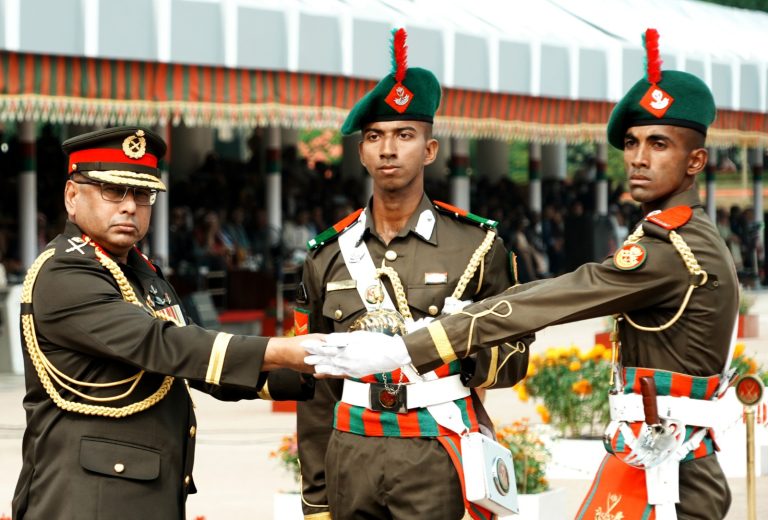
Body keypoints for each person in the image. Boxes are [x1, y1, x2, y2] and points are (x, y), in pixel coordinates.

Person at [308, 29, 738, 520]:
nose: (639, 158)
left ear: (696, 161)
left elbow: (555, 298)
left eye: (658, 144)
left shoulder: (671, 248)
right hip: (652, 458)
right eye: (633, 143)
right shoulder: (672, 237)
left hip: (672, 473)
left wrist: (408, 348)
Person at [12, 126, 320, 520]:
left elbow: (203, 369)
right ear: (72, 197)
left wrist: (317, 369)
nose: (129, 206)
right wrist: (284, 350)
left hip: (143, 497)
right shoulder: (64, 273)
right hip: (83, 501)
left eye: (142, 194)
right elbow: (162, 344)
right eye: (113, 191)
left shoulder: (141, 271)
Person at [296, 28, 529, 520]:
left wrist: (462, 346)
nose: (388, 149)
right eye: (375, 137)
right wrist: (315, 496)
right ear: (360, 152)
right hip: (350, 451)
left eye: (404, 136)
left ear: (429, 149)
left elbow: (514, 357)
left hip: (432, 448)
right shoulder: (327, 254)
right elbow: (314, 384)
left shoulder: (478, 245)